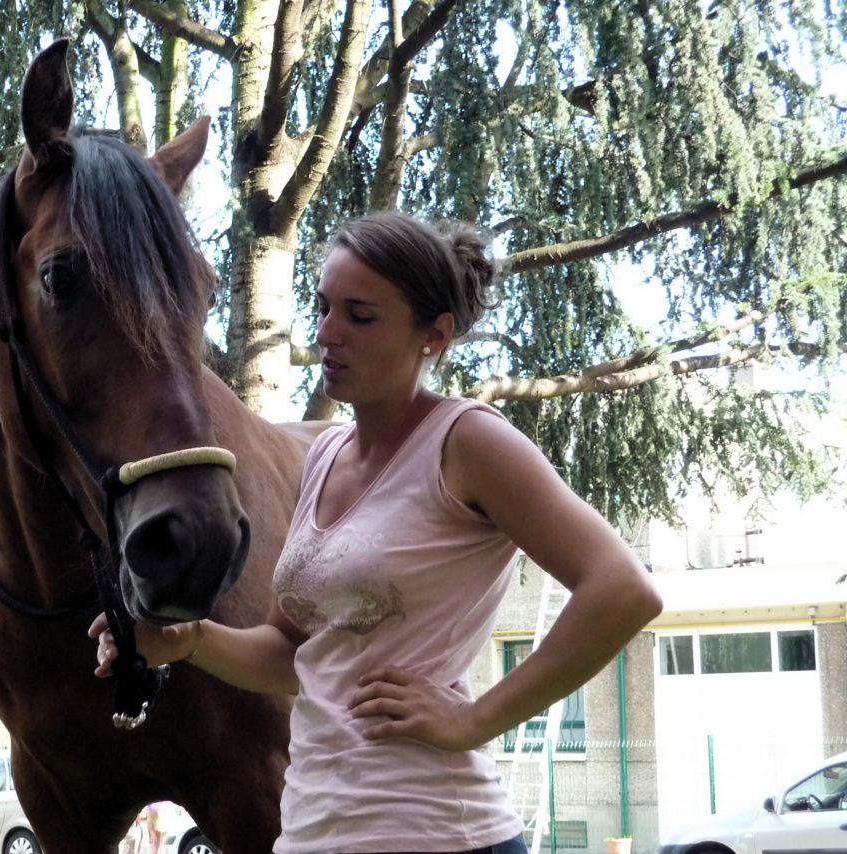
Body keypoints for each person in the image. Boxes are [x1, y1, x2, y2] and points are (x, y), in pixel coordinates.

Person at [90, 211, 663, 853]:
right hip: (310, 831)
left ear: (434, 336)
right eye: (323, 308)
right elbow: (292, 654)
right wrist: (189, 639)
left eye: (360, 316)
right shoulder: (325, 456)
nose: (326, 333)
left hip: (438, 832)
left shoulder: (467, 442)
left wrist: (477, 719)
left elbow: (623, 590)